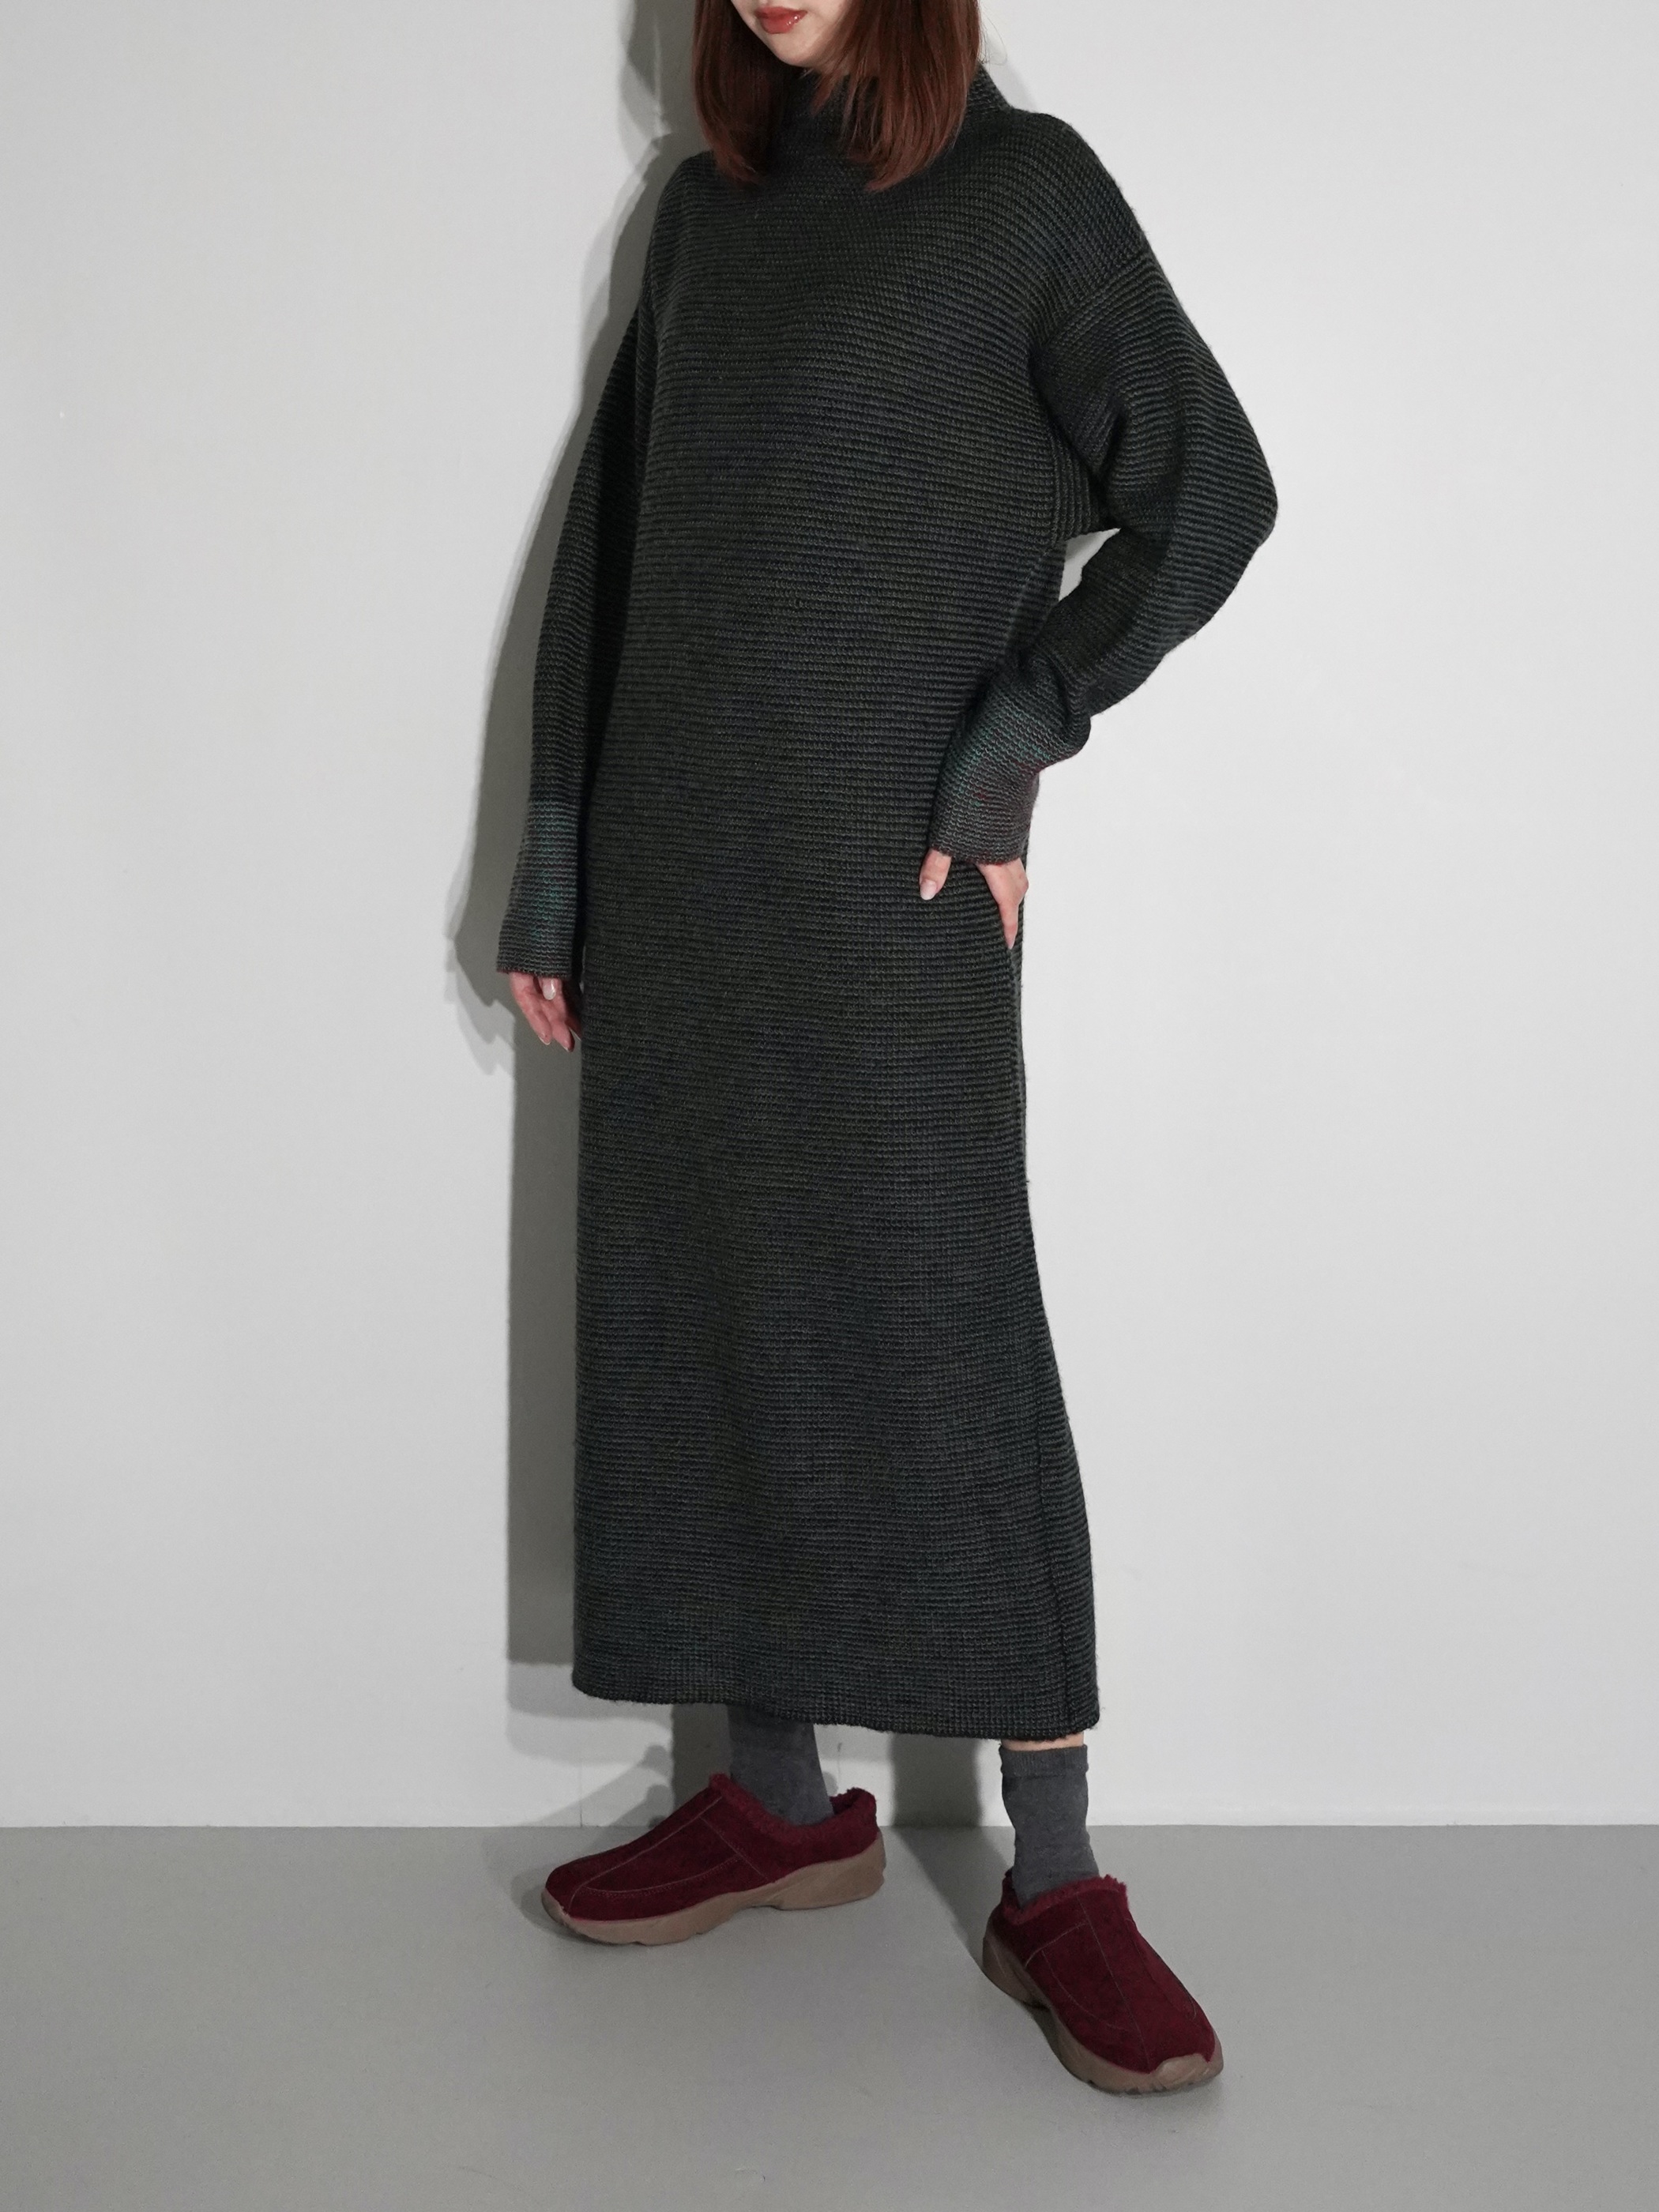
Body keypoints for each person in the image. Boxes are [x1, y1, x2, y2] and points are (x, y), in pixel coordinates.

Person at [498, 0, 1274, 2095]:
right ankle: (777, 1802)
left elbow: (1207, 489)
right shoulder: (708, 212)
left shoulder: (1022, 197)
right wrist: (559, 869)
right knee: (710, 1299)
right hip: (681, 873)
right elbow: (610, 560)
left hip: (887, 875)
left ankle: (1055, 1876)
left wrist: (1018, 734)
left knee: (936, 1319)